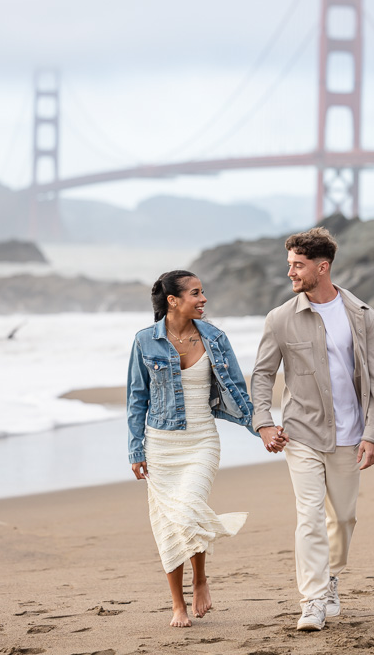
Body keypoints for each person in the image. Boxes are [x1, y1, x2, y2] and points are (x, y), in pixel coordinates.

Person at [251, 227, 374, 633]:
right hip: (301, 433)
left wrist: (373, 432)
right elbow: (262, 375)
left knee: (343, 519)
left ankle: (329, 578)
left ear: (321, 267)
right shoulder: (279, 319)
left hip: (350, 433)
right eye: (289, 264)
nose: (290, 273)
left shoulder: (364, 317)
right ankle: (312, 600)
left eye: (298, 265)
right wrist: (263, 422)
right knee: (309, 516)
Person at [127, 269, 262, 628]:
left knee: (189, 507)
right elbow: (136, 399)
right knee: (168, 524)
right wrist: (135, 450)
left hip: (201, 439)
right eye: (196, 293)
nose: (203, 299)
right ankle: (177, 604)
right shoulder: (145, 341)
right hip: (160, 444)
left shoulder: (215, 337)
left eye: (203, 292)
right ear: (173, 301)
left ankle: (200, 579)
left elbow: (236, 389)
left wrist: (261, 429)